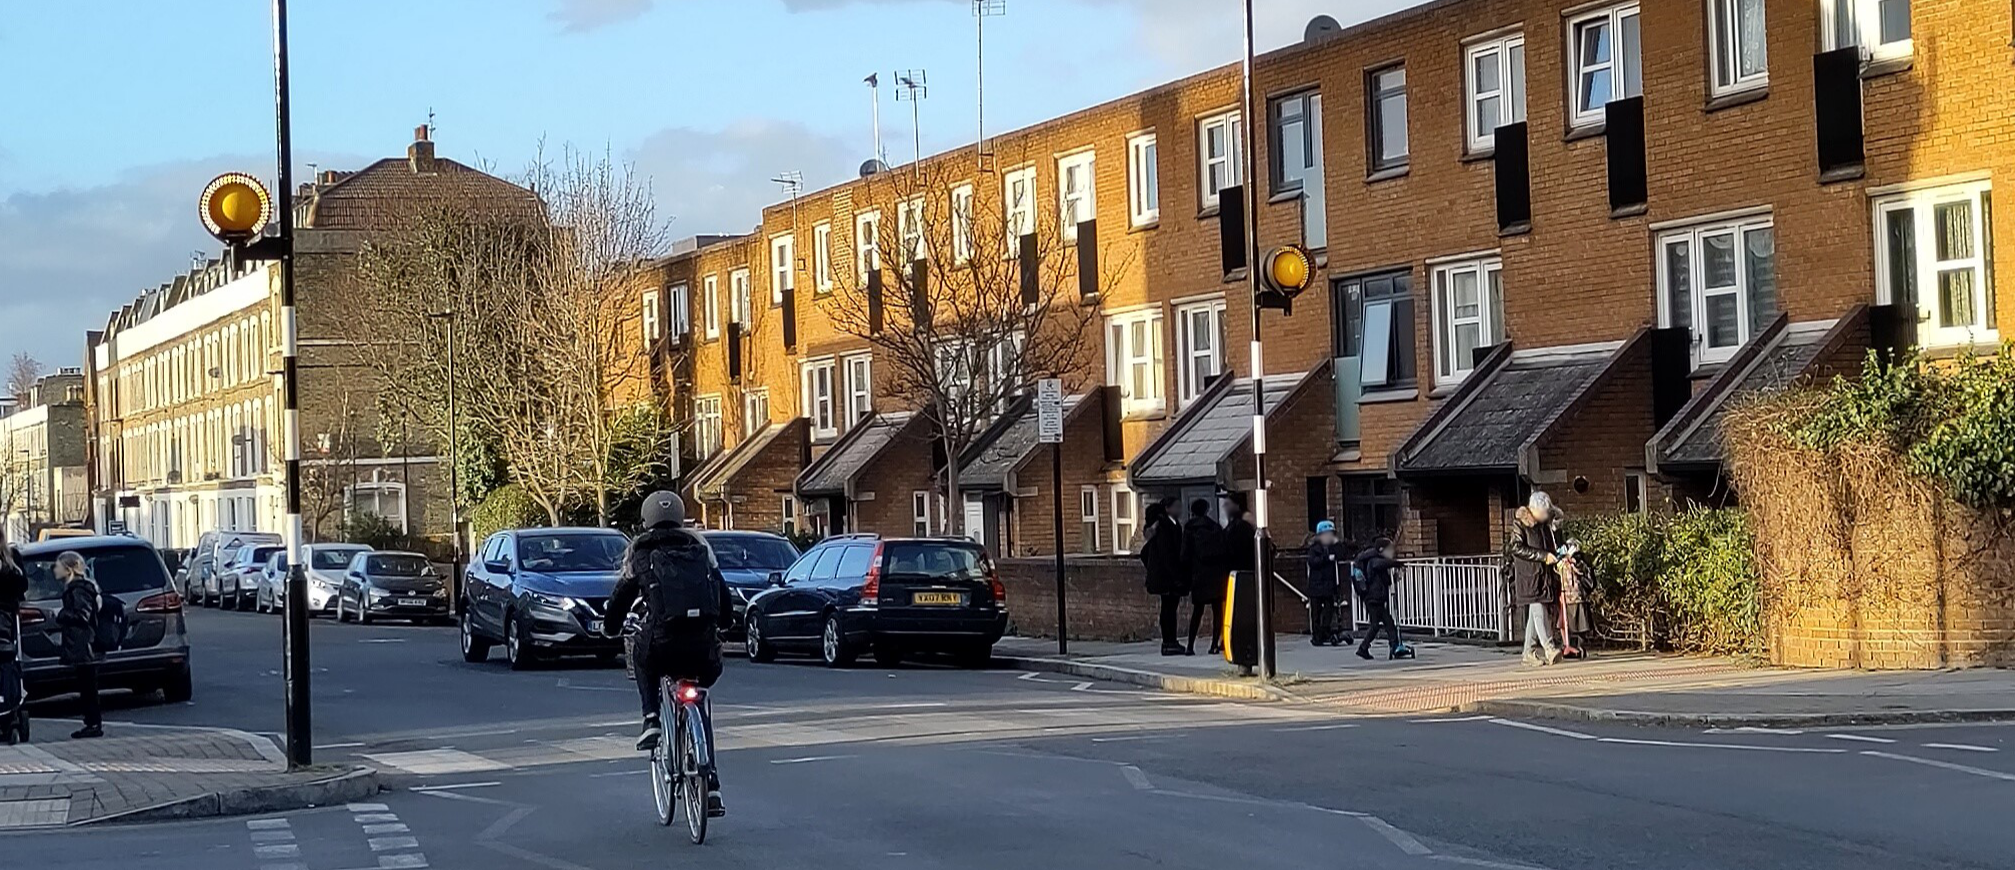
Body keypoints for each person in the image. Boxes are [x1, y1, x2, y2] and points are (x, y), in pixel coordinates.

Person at [604, 491, 733, 817]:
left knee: (642, 657)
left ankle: (650, 720)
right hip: (703, 649)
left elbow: (622, 597)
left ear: (647, 519)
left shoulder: (642, 551)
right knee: (700, 702)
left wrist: (609, 626)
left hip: (663, 644)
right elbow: (722, 594)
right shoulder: (700, 549)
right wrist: (725, 624)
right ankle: (712, 786)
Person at [1508, 491, 1564, 666]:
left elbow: (1552, 542)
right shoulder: (1520, 524)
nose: (1546, 515)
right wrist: (1542, 556)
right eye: (1544, 512)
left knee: (1536, 612)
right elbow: (1516, 548)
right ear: (1534, 510)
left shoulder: (1544, 525)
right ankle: (1549, 647)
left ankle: (1528, 652)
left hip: (1542, 574)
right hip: (1529, 575)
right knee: (1538, 607)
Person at [53, 551, 103, 739]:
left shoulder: (78, 589)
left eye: (58, 566)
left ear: (68, 569)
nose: (54, 569)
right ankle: (91, 722)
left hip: (84, 645)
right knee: (86, 685)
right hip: (83, 644)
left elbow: (83, 615)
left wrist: (62, 615)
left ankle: (93, 723)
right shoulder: (78, 588)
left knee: (88, 686)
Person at [1138, 497, 1187, 656]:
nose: (1180, 509)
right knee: (1168, 610)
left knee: (1169, 609)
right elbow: (1168, 553)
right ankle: (1169, 642)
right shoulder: (1165, 526)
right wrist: (1176, 575)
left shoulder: (1170, 524)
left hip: (1166, 575)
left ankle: (1170, 641)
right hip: (1167, 576)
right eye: (1177, 506)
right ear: (1167, 508)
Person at [1180, 498, 1225, 656]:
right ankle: (1214, 645)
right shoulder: (1215, 527)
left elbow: (1184, 555)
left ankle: (1190, 645)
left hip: (1198, 574)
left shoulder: (1189, 528)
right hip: (1215, 574)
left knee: (1197, 611)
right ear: (1207, 510)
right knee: (1217, 611)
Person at [1354, 537, 1408, 660]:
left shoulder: (1375, 560)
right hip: (1373, 598)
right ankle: (1364, 648)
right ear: (1382, 549)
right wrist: (1397, 563)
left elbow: (1385, 580)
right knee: (1378, 624)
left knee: (1386, 623)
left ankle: (1392, 646)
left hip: (1375, 598)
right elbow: (1381, 564)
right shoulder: (1373, 560)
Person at [1304, 521, 1351, 647]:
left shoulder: (1333, 547)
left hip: (1329, 584)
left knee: (1329, 610)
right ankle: (1317, 635)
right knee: (1316, 611)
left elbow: (1342, 554)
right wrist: (1326, 558)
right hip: (1317, 584)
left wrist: (1337, 544)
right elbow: (1312, 562)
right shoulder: (1314, 548)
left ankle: (1325, 631)